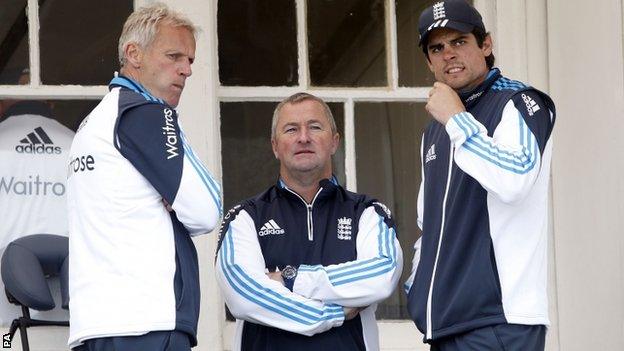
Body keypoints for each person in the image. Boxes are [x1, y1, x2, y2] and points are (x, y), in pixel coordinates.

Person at [67, 4, 221, 350]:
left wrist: (173, 197)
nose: (186, 70)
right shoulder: (147, 113)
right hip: (147, 322)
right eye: (174, 55)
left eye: (191, 61)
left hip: (95, 324)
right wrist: (174, 199)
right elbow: (207, 209)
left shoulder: (94, 121)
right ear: (133, 54)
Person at [404, 1, 556, 350]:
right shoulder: (436, 129)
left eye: (459, 41)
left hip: (499, 319)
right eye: (437, 48)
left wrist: (457, 121)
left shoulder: (518, 102)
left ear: (486, 45)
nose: (448, 55)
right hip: (446, 322)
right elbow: (429, 223)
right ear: (429, 61)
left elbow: (514, 179)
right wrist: (419, 285)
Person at [215, 92, 403, 351]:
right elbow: (245, 296)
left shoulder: (367, 212)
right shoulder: (245, 217)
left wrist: (291, 279)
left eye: (315, 127)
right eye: (291, 129)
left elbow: (381, 274)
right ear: (274, 146)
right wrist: (332, 314)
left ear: (334, 142)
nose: (303, 137)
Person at [0, 69, 74, 324]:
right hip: (70, 298)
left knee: (9, 342)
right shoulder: (80, 145)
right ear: (51, 100)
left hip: (4, 296)